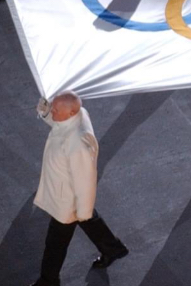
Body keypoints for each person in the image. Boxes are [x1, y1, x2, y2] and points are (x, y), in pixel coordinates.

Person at [30, 91, 129, 286]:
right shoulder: (76, 115)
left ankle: (48, 281)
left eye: (56, 109)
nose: (53, 111)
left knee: (55, 244)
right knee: (87, 217)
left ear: (70, 113)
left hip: (66, 200)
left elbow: (86, 182)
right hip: (68, 194)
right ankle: (112, 248)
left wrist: (81, 211)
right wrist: (46, 112)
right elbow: (60, 125)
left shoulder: (78, 145)